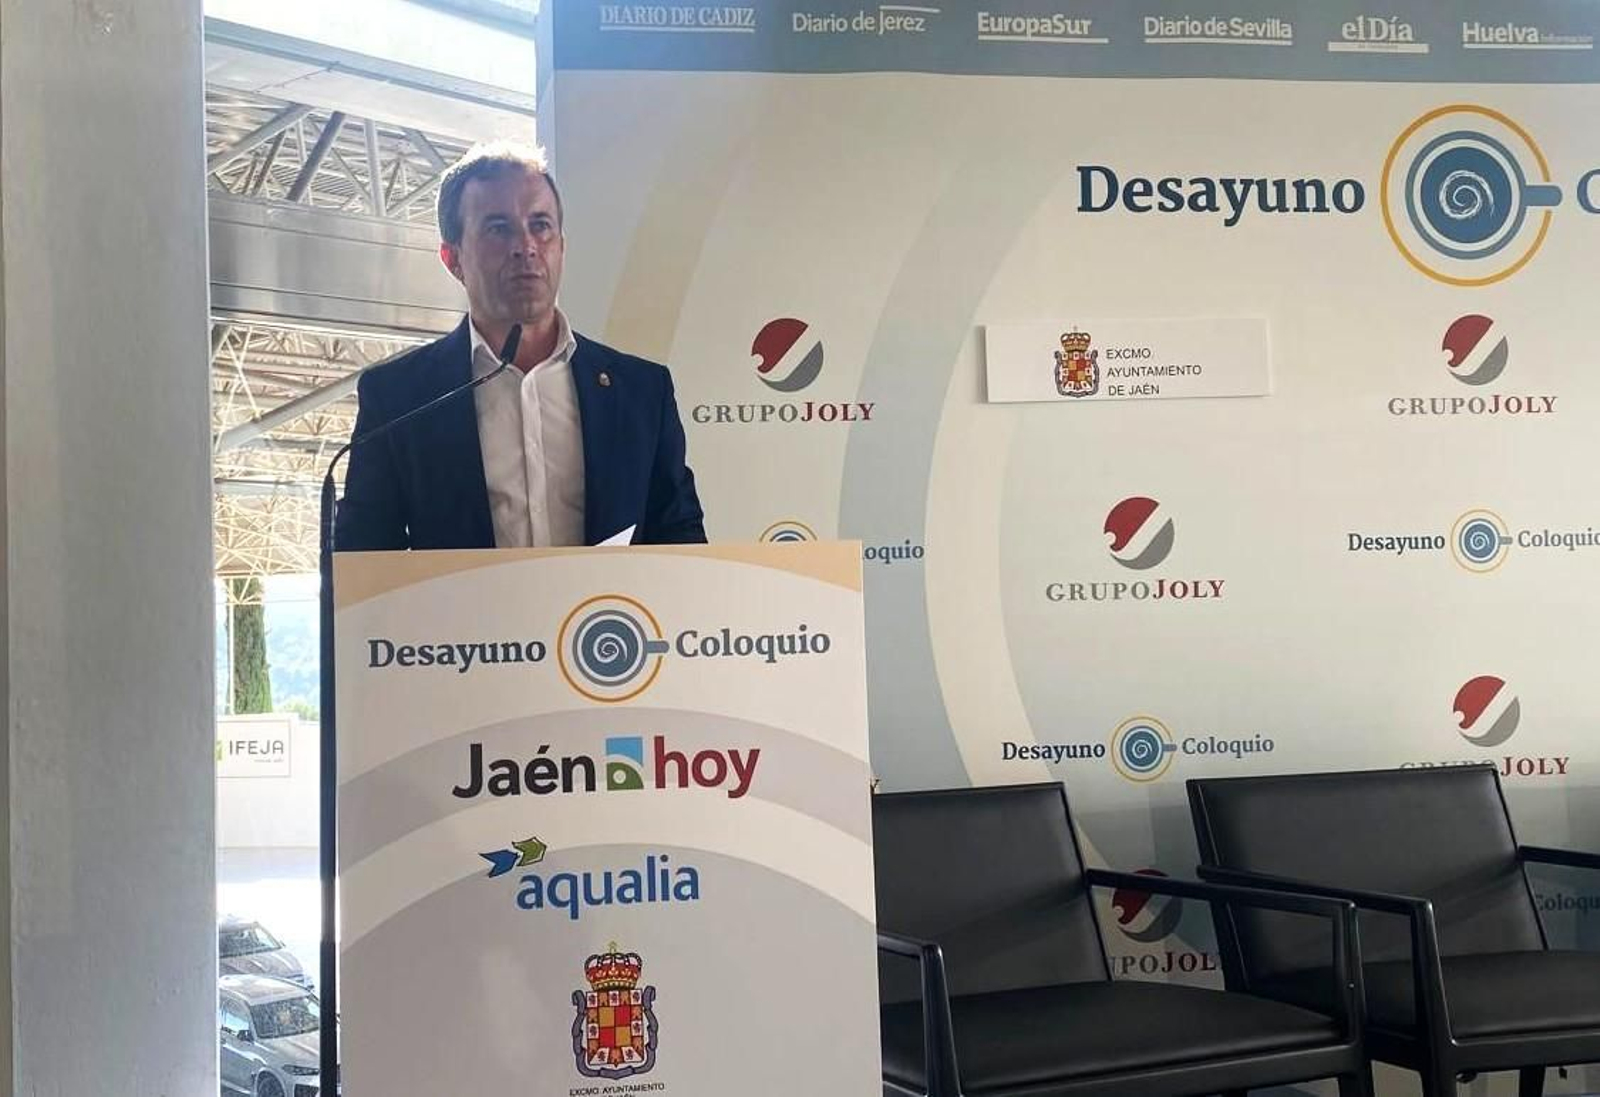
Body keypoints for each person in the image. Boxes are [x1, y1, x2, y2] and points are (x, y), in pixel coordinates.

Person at [334, 142, 705, 551]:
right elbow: (361, 562)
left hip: (612, 617)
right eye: (499, 228)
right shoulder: (399, 398)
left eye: (540, 225)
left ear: (561, 246)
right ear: (452, 258)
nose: (525, 246)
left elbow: (679, 537)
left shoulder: (641, 391)